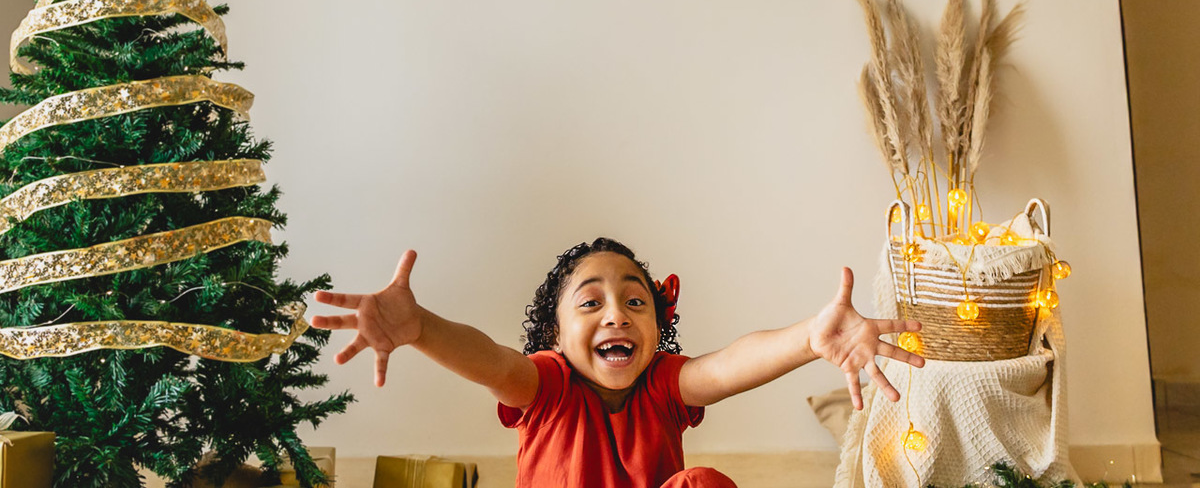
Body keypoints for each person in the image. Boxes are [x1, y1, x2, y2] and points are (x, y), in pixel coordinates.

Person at [311, 237, 924, 488]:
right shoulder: (547, 384)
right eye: (591, 302)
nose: (617, 314)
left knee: (702, 485)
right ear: (555, 332)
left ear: (658, 327)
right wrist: (423, 328)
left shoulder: (664, 386)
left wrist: (810, 337)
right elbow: (493, 363)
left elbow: (730, 364)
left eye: (636, 301)